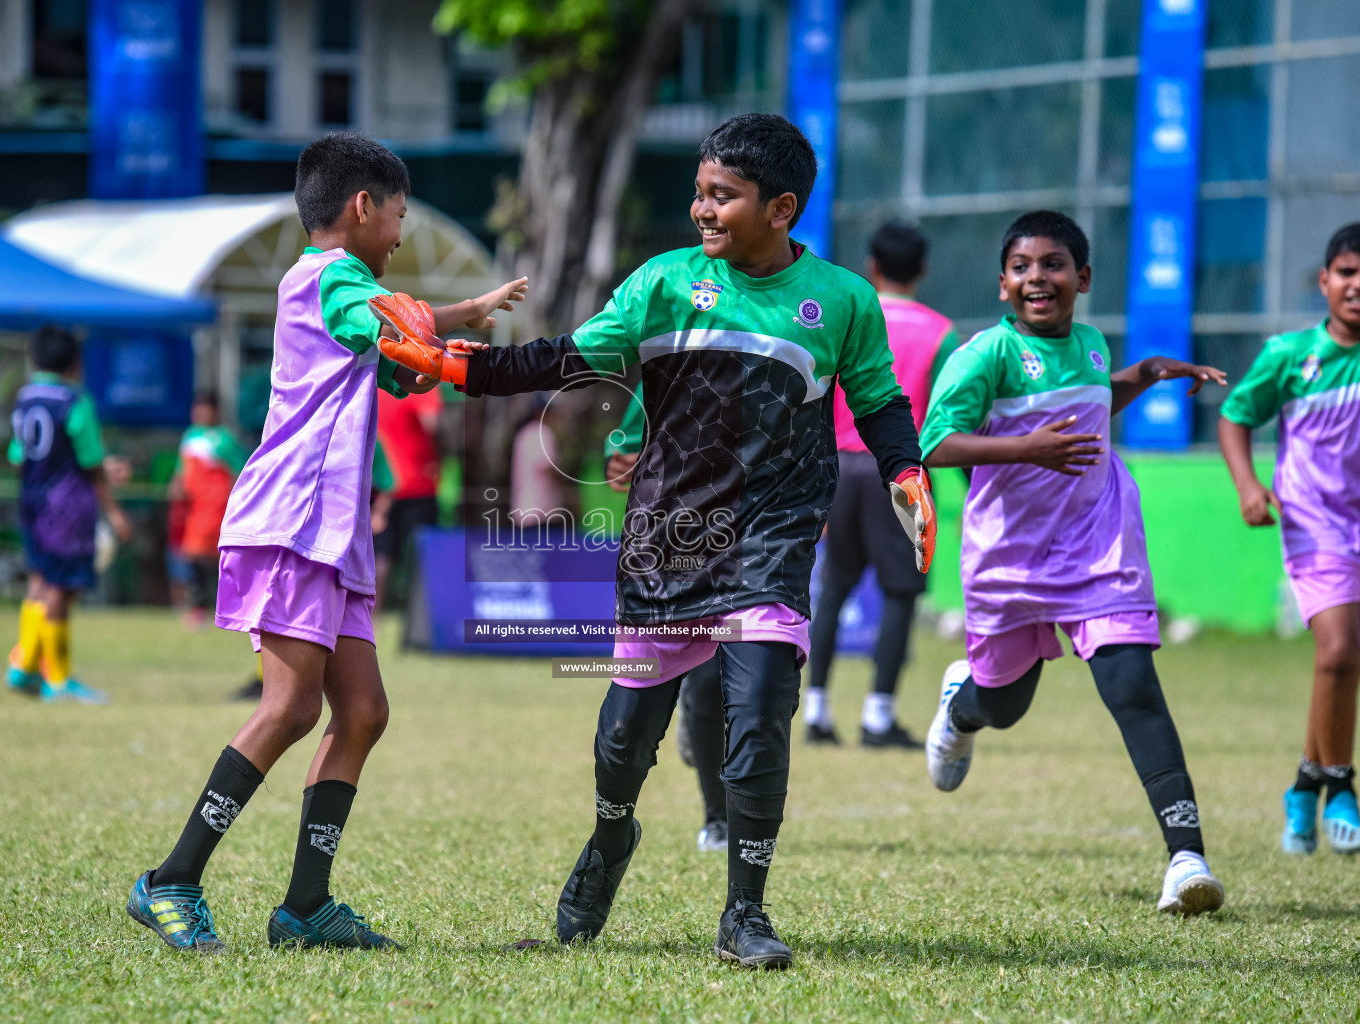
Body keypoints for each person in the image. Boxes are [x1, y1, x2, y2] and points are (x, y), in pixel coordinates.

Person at [379, 113, 935, 969]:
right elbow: (569, 359)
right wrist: (464, 367)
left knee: (758, 722)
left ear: (781, 209)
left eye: (724, 196)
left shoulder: (843, 301)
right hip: (668, 539)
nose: (702, 208)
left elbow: (879, 400)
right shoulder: (663, 283)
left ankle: (744, 915)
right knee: (622, 740)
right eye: (701, 192)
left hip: (772, 539)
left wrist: (906, 468)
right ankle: (610, 837)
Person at [124, 130, 526, 953]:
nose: (404, 234)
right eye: (400, 216)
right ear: (363, 206)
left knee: (365, 712)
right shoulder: (334, 278)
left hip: (331, 531)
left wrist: (456, 324)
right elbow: (388, 327)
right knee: (291, 708)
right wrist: (462, 355)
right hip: (293, 523)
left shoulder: (333, 286)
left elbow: (391, 345)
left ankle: (305, 906)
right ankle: (170, 880)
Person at [919, 210, 1228, 915]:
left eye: (1054, 264)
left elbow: (1090, 404)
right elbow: (936, 443)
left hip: (1098, 547)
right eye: (1023, 267)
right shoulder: (983, 356)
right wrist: (1027, 449)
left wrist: (1144, 375)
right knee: (1005, 704)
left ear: (1082, 277)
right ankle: (960, 710)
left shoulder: (1089, 344)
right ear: (1003, 284)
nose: (1038, 278)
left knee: (1132, 687)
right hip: (1010, 560)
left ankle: (1186, 859)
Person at [1217, 222, 1360, 856]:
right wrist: (1249, 486)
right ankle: (1341, 788)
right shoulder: (1289, 355)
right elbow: (1234, 416)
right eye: (1348, 273)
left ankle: (1304, 785)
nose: (1359, 287)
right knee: (1337, 653)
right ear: (1324, 281)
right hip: (1313, 524)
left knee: (1348, 663)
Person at [804, 221, 960, 748]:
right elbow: (943, 416)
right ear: (923, 269)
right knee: (901, 593)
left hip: (837, 469)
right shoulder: (940, 331)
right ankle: (878, 716)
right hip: (898, 471)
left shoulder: (846, 314)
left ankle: (816, 712)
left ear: (871, 266)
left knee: (833, 589)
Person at [605, 385, 727, 853]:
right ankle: (717, 818)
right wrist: (619, 466)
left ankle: (700, 724)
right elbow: (619, 455)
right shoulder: (667, 368)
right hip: (670, 550)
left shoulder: (772, 353)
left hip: (750, 541)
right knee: (704, 686)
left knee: (733, 682)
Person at [4, 327, 133, 703]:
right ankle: (57, 680)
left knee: (40, 580)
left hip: (31, 500)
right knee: (62, 585)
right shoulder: (74, 401)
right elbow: (89, 462)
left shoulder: (24, 399)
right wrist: (114, 511)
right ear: (75, 363)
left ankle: (24, 664)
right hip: (66, 508)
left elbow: (19, 457)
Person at [175, 391, 249, 631]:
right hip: (195, 508)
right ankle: (199, 607)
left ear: (215, 411)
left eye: (205, 408)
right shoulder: (189, 436)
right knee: (193, 556)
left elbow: (238, 471)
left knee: (216, 557)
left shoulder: (224, 439)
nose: (200, 413)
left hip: (218, 506)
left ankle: (224, 607)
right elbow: (181, 471)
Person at [374, 381, 442, 601]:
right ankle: (416, 615)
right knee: (419, 555)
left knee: (380, 555)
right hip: (417, 483)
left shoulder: (376, 382)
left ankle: (374, 616)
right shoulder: (422, 382)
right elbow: (432, 423)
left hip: (380, 486)